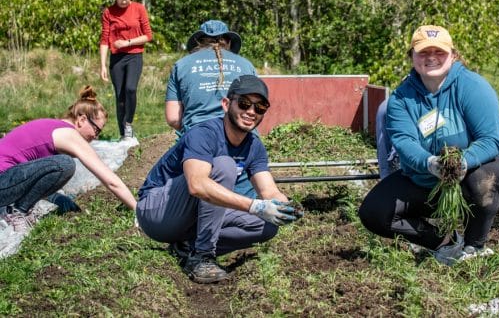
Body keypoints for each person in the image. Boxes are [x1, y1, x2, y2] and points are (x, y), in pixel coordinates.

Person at [359, 25, 499, 266]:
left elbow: (490, 140)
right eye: (423, 52)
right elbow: (405, 142)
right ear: (412, 56)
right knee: (374, 212)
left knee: (480, 180)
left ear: (453, 55)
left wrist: (463, 162)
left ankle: (474, 246)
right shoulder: (401, 99)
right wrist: (431, 163)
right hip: (430, 177)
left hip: (486, 174)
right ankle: (444, 242)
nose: (431, 57)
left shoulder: (472, 87)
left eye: (439, 51)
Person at [137, 75, 301, 284]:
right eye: (244, 104)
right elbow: (196, 185)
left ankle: (187, 247)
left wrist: (284, 208)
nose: (251, 112)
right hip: (157, 211)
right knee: (224, 165)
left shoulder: (254, 146)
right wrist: (255, 206)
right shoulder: (204, 134)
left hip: (190, 217)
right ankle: (202, 257)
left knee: (268, 226)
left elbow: (268, 191)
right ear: (226, 104)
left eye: (260, 107)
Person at [0, 86, 138, 233]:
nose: (96, 136)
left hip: (6, 182)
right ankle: (17, 211)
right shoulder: (68, 134)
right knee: (65, 164)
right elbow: (109, 179)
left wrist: (56, 198)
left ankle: (14, 210)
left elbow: (33, 178)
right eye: (96, 130)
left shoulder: (55, 128)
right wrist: (137, 209)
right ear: (82, 119)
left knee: (61, 163)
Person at [165, 20, 258, 198]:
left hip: (198, 142)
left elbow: (173, 118)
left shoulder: (182, 65)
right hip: (241, 141)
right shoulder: (246, 65)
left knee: (198, 197)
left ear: (199, 41)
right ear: (228, 42)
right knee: (243, 202)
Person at [99, 0, 153, 140]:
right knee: (120, 96)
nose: (123, 1)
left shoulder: (139, 9)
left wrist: (128, 42)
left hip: (134, 55)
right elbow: (104, 39)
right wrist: (102, 65)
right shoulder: (108, 12)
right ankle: (123, 133)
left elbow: (148, 36)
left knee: (130, 89)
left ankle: (128, 123)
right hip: (117, 59)